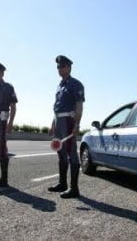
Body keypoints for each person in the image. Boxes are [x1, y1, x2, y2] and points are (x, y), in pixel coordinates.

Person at [48, 55, 85, 199]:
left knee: (71, 154)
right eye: (58, 67)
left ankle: (74, 189)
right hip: (58, 122)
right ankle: (62, 183)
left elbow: (79, 106)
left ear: (69, 67)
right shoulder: (60, 85)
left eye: (63, 66)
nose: (60, 69)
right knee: (60, 152)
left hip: (69, 121)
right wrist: (52, 124)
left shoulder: (76, 84)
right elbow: (56, 108)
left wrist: (77, 124)